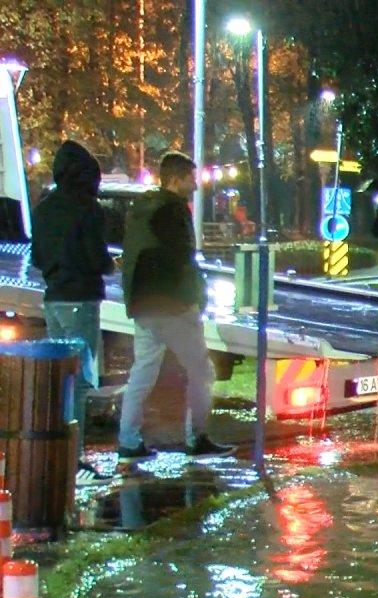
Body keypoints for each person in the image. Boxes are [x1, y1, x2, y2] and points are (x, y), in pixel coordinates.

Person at [117, 151, 234, 464]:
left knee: (142, 372)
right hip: (173, 305)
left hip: (143, 305)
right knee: (201, 370)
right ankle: (196, 437)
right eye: (190, 178)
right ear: (176, 178)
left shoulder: (141, 208)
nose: (195, 184)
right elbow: (182, 259)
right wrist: (196, 296)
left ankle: (128, 441)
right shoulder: (173, 210)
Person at [30, 140, 115, 480]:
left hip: (54, 301)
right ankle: (74, 459)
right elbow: (96, 258)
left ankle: (58, 451)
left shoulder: (43, 209)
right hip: (82, 300)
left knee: (61, 378)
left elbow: (37, 257)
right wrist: (108, 266)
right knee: (80, 380)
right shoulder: (88, 209)